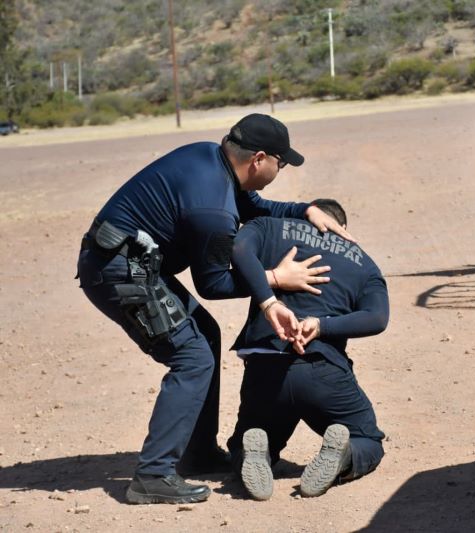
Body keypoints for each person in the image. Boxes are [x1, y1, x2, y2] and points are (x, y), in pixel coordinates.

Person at [76, 114, 351, 505]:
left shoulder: (211, 158)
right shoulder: (213, 210)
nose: (280, 169)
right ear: (259, 159)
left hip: (129, 262)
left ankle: (198, 451)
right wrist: (276, 278)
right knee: (191, 356)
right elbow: (215, 285)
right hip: (118, 271)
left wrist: (304, 209)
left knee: (206, 336)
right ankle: (153, 475)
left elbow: (254, 204)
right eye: (281, 162)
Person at [226, 199, 389, 500]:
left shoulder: (268, 227)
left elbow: (239, 248)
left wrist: (270, 295)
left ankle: (255, 452)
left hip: (264, 369)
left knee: (246, 441)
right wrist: (322, 325)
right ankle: (345, 455)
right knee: (367, 439)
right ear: (342, 228)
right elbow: (377, 318)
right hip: (322, 370)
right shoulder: (364, 264)